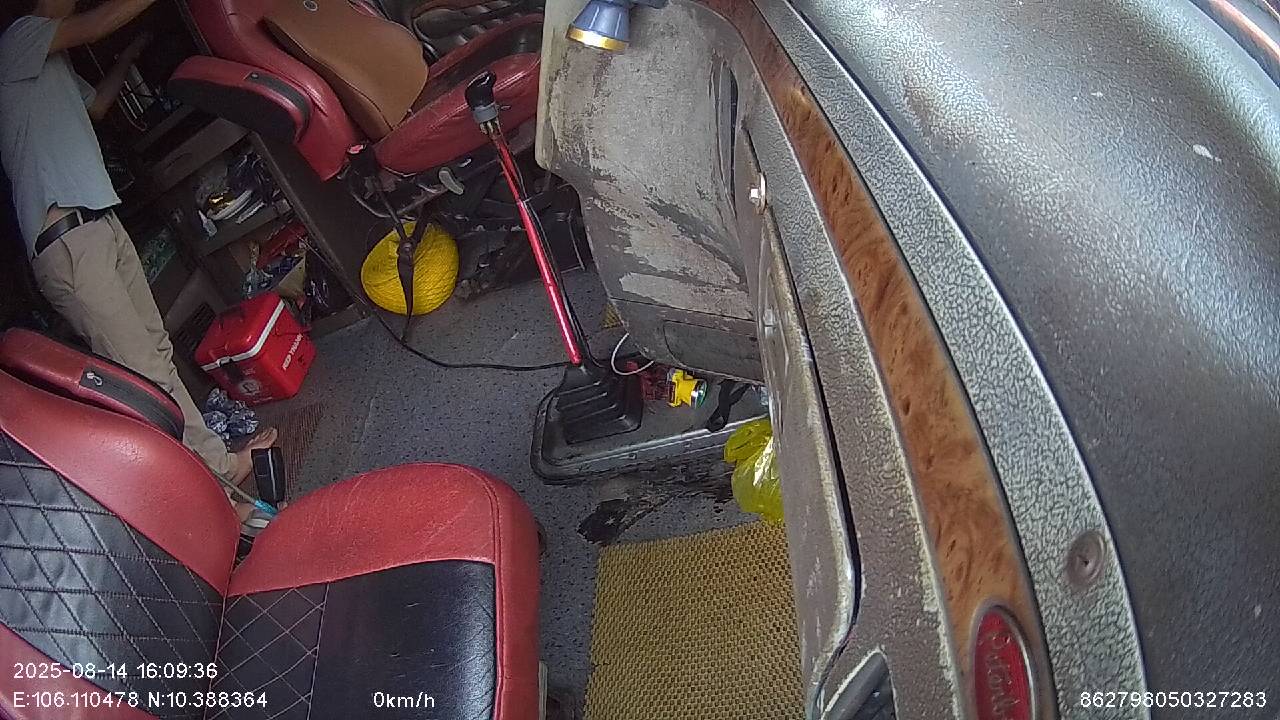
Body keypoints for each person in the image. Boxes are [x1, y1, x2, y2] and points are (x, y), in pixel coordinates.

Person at [0, 0, 276, 493]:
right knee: (144, 377)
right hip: (67, 240)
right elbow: (96, 24)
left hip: (100, 223)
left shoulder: (51, 63)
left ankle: (215, 474)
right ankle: (216, 482)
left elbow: (96, 107)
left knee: (158, 353)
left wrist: (128, 57)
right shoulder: (20, 39)